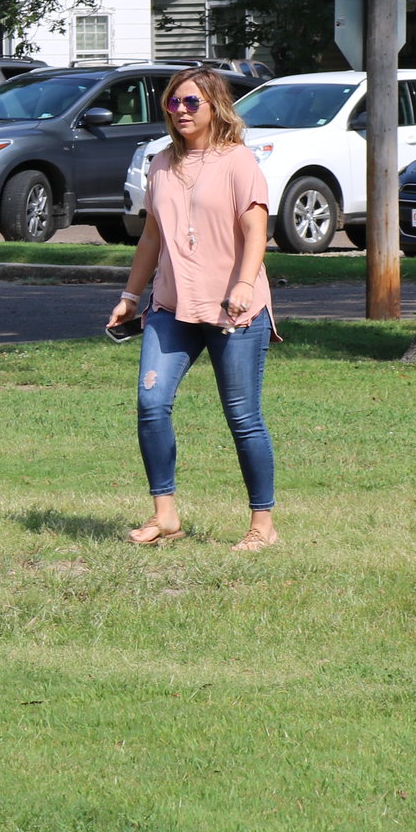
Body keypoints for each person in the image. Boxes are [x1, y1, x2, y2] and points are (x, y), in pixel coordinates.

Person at [105, 66, 279, 551]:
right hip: (171, 305)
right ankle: (165, 515)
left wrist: (243, 284)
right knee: (151, 404)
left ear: (215, 107)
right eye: (173, 102)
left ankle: (262, 524)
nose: (180, 110)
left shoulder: (238, 160)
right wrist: (130, 297)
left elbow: (256, 231)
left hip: (233, 310)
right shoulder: (161, 163)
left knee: (242, 417)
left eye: (191, 102)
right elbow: (152, 237)